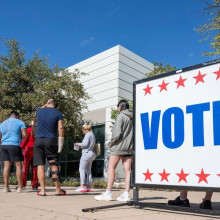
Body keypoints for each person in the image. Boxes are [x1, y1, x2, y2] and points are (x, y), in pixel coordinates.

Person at [95, 100, 133, 202]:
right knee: (128, 170)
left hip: (119, 146)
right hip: (129, 147)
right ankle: (126, 194)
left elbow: (116, 134)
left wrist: (111, 143)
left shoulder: (121, 116)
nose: (117, 109)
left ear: (120, 106)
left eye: (118, 107)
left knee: (111, 167)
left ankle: (108, 193)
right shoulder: (132, 118)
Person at [33, 99, 65, 196]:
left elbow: (38, 110)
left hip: (38, 140)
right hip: (51, 140)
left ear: (47, 105)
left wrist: (46, 104)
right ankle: (58, 190)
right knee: (53, 164)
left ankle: (42, 190)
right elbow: (61, 127)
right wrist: (61, 142)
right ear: (56, 107)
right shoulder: (58, 113)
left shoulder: (40, 111)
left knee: (40, 165)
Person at [0, 111, 27, 193]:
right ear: (17, 116)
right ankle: (20, 187)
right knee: (18, 165)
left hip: (4, 145)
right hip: (14, 145)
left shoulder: (3, 123)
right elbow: (25, 134)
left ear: (9, 116)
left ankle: (6, 187)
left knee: (6, 166)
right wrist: (20, 137)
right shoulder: (20, 122)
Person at [74, 124, 96, 192]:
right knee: (88, 170)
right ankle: (88, 186)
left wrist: (77, 144)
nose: (83, 132)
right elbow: (88, 145)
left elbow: (85, 144)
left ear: (86, 130)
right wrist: (81, 146)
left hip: (86, 154)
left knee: (82, 169)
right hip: (92, 153)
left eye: (83, 131)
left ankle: (82, 186)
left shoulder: (88, 134)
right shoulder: (92, 135)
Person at [21, 119, 38, 190]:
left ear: (31, 123)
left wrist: (20, 148)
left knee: (25, 167)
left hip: (28, 150)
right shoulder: (39, 131)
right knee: (35, 168)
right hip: (36, 150)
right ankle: (35, 185)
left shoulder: (28, 130)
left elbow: (25, 141)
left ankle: (23, 184)